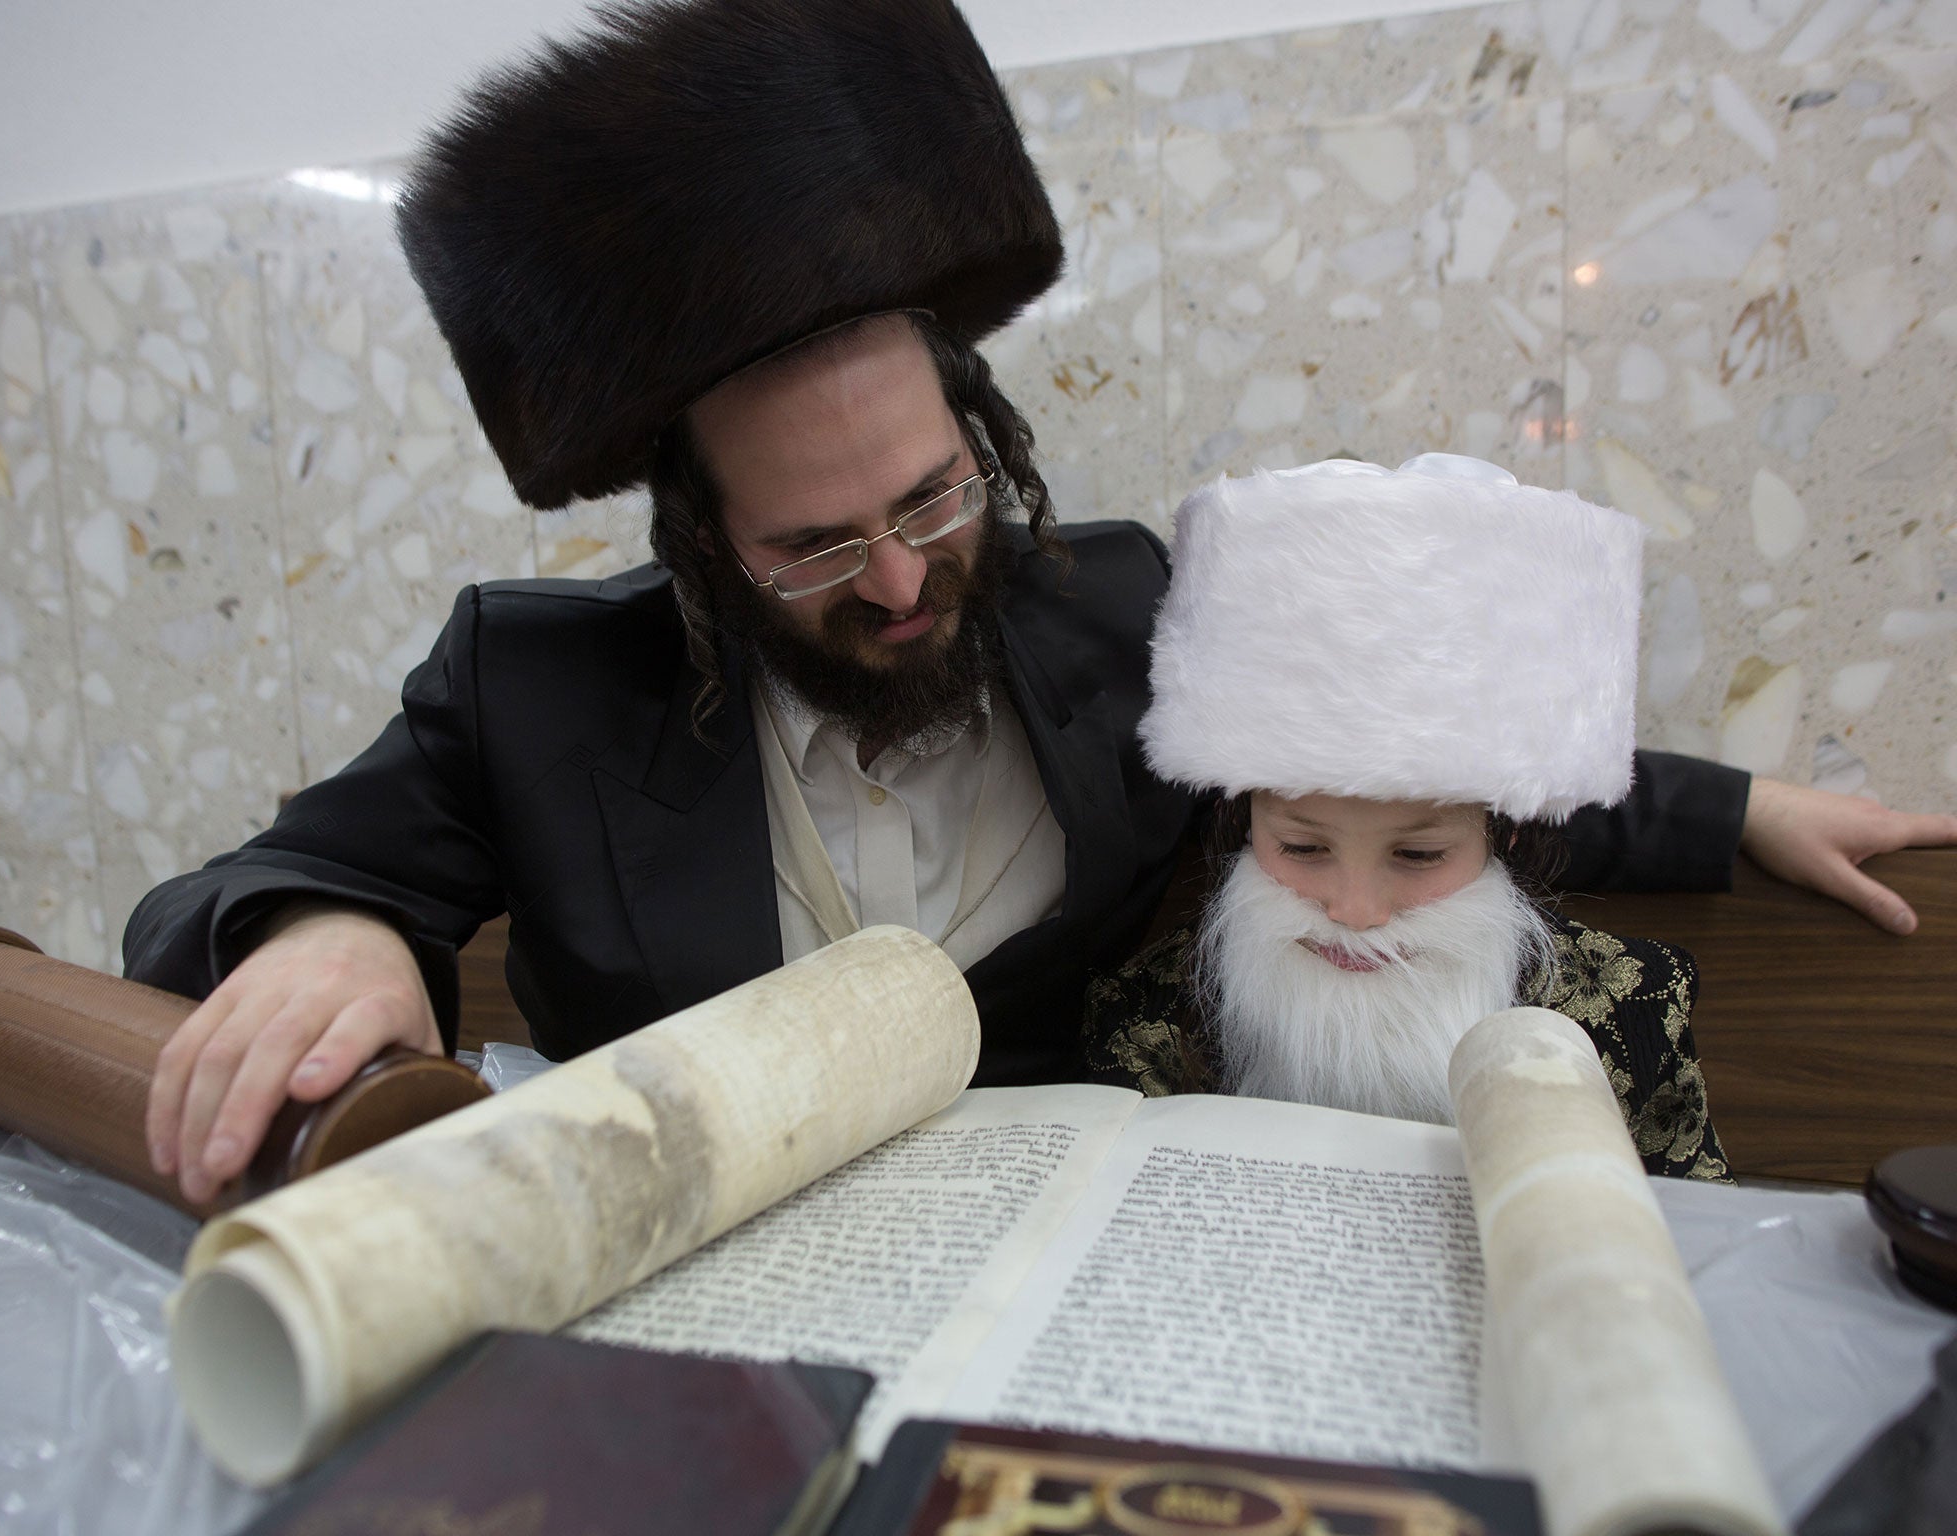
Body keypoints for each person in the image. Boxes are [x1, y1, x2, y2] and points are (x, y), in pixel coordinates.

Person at [129, 0, 1952, 1208]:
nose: (908, 575)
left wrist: (1742, 806)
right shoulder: (530, 682)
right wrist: (326, 936)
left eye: (933, 494)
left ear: (983, 429)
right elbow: (237, 891)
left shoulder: (1124, 610)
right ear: (698, 536)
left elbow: (1406, 748)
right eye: (816, 548)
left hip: (1064, 1255)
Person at [1085, 456, 1729, 1179]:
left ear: (1504, 834)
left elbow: (1694, 1244)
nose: (1354, 911)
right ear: (1243, 821)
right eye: (1301, 847)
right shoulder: (1148, 1015)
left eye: (1418, 856)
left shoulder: (1634, 1008)